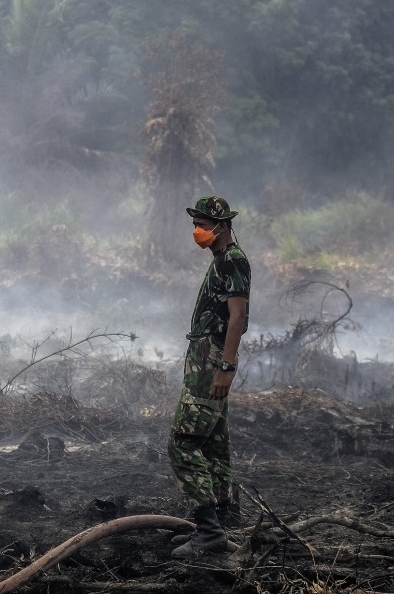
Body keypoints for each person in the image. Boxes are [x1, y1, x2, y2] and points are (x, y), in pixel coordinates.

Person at [168, 195, 251, 558]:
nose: (196, 231)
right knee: (214, 442)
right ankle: (222, 517)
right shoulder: (222, 259)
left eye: (202, 224)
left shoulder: (233, 260)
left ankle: (209, 531)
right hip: (206, 356)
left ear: (221, 226)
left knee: (183, 443)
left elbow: (238, 319)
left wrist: (226, 367)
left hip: (212, 359)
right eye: (194, 224)